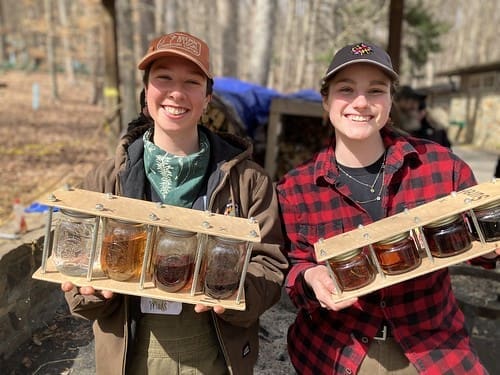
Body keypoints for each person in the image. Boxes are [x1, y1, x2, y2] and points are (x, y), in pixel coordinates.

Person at [61, 31, 288, 375]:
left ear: (208, 96)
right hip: (131, 351)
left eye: (192, 82)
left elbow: (270, 266)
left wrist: (230, 292)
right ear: (146, 92)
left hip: (214, 353)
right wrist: (89, 289)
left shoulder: (247, 181)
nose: (177, 93)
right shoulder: (107, 180)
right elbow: (76, 271)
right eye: (163, 78)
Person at [276, 41, 499, 374]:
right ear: (326, 100)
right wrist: (311, 275)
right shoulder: (297, 188)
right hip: (335, 351)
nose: (361, 102)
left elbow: (483, 249)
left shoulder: (440, 166)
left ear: (390, 100)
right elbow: (291, 266)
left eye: (376, 90)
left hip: (433, 350)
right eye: (346, 89)